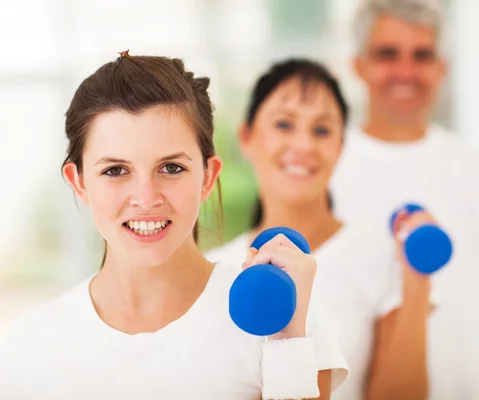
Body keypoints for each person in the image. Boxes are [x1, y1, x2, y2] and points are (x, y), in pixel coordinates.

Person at [0, 52, 350, 400]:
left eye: (171, 168)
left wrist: (286, 344)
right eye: (115, 170)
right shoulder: (29, 348)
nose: (146, 197)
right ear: (78, 183)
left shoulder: (285, 318)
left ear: (207, 177)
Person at [329, 0, 479, 399]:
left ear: (441, 68)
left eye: (422, 55)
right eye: (388, 54)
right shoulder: (327, 173)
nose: (406, 71)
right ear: (358, 65)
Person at [206, 58, 435, 400]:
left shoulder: (386, 258)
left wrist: (418, 277)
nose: (303, 145)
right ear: (247, 137)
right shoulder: (211, 269)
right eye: (284, 124)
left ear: (342, 146)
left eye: (322, 130)